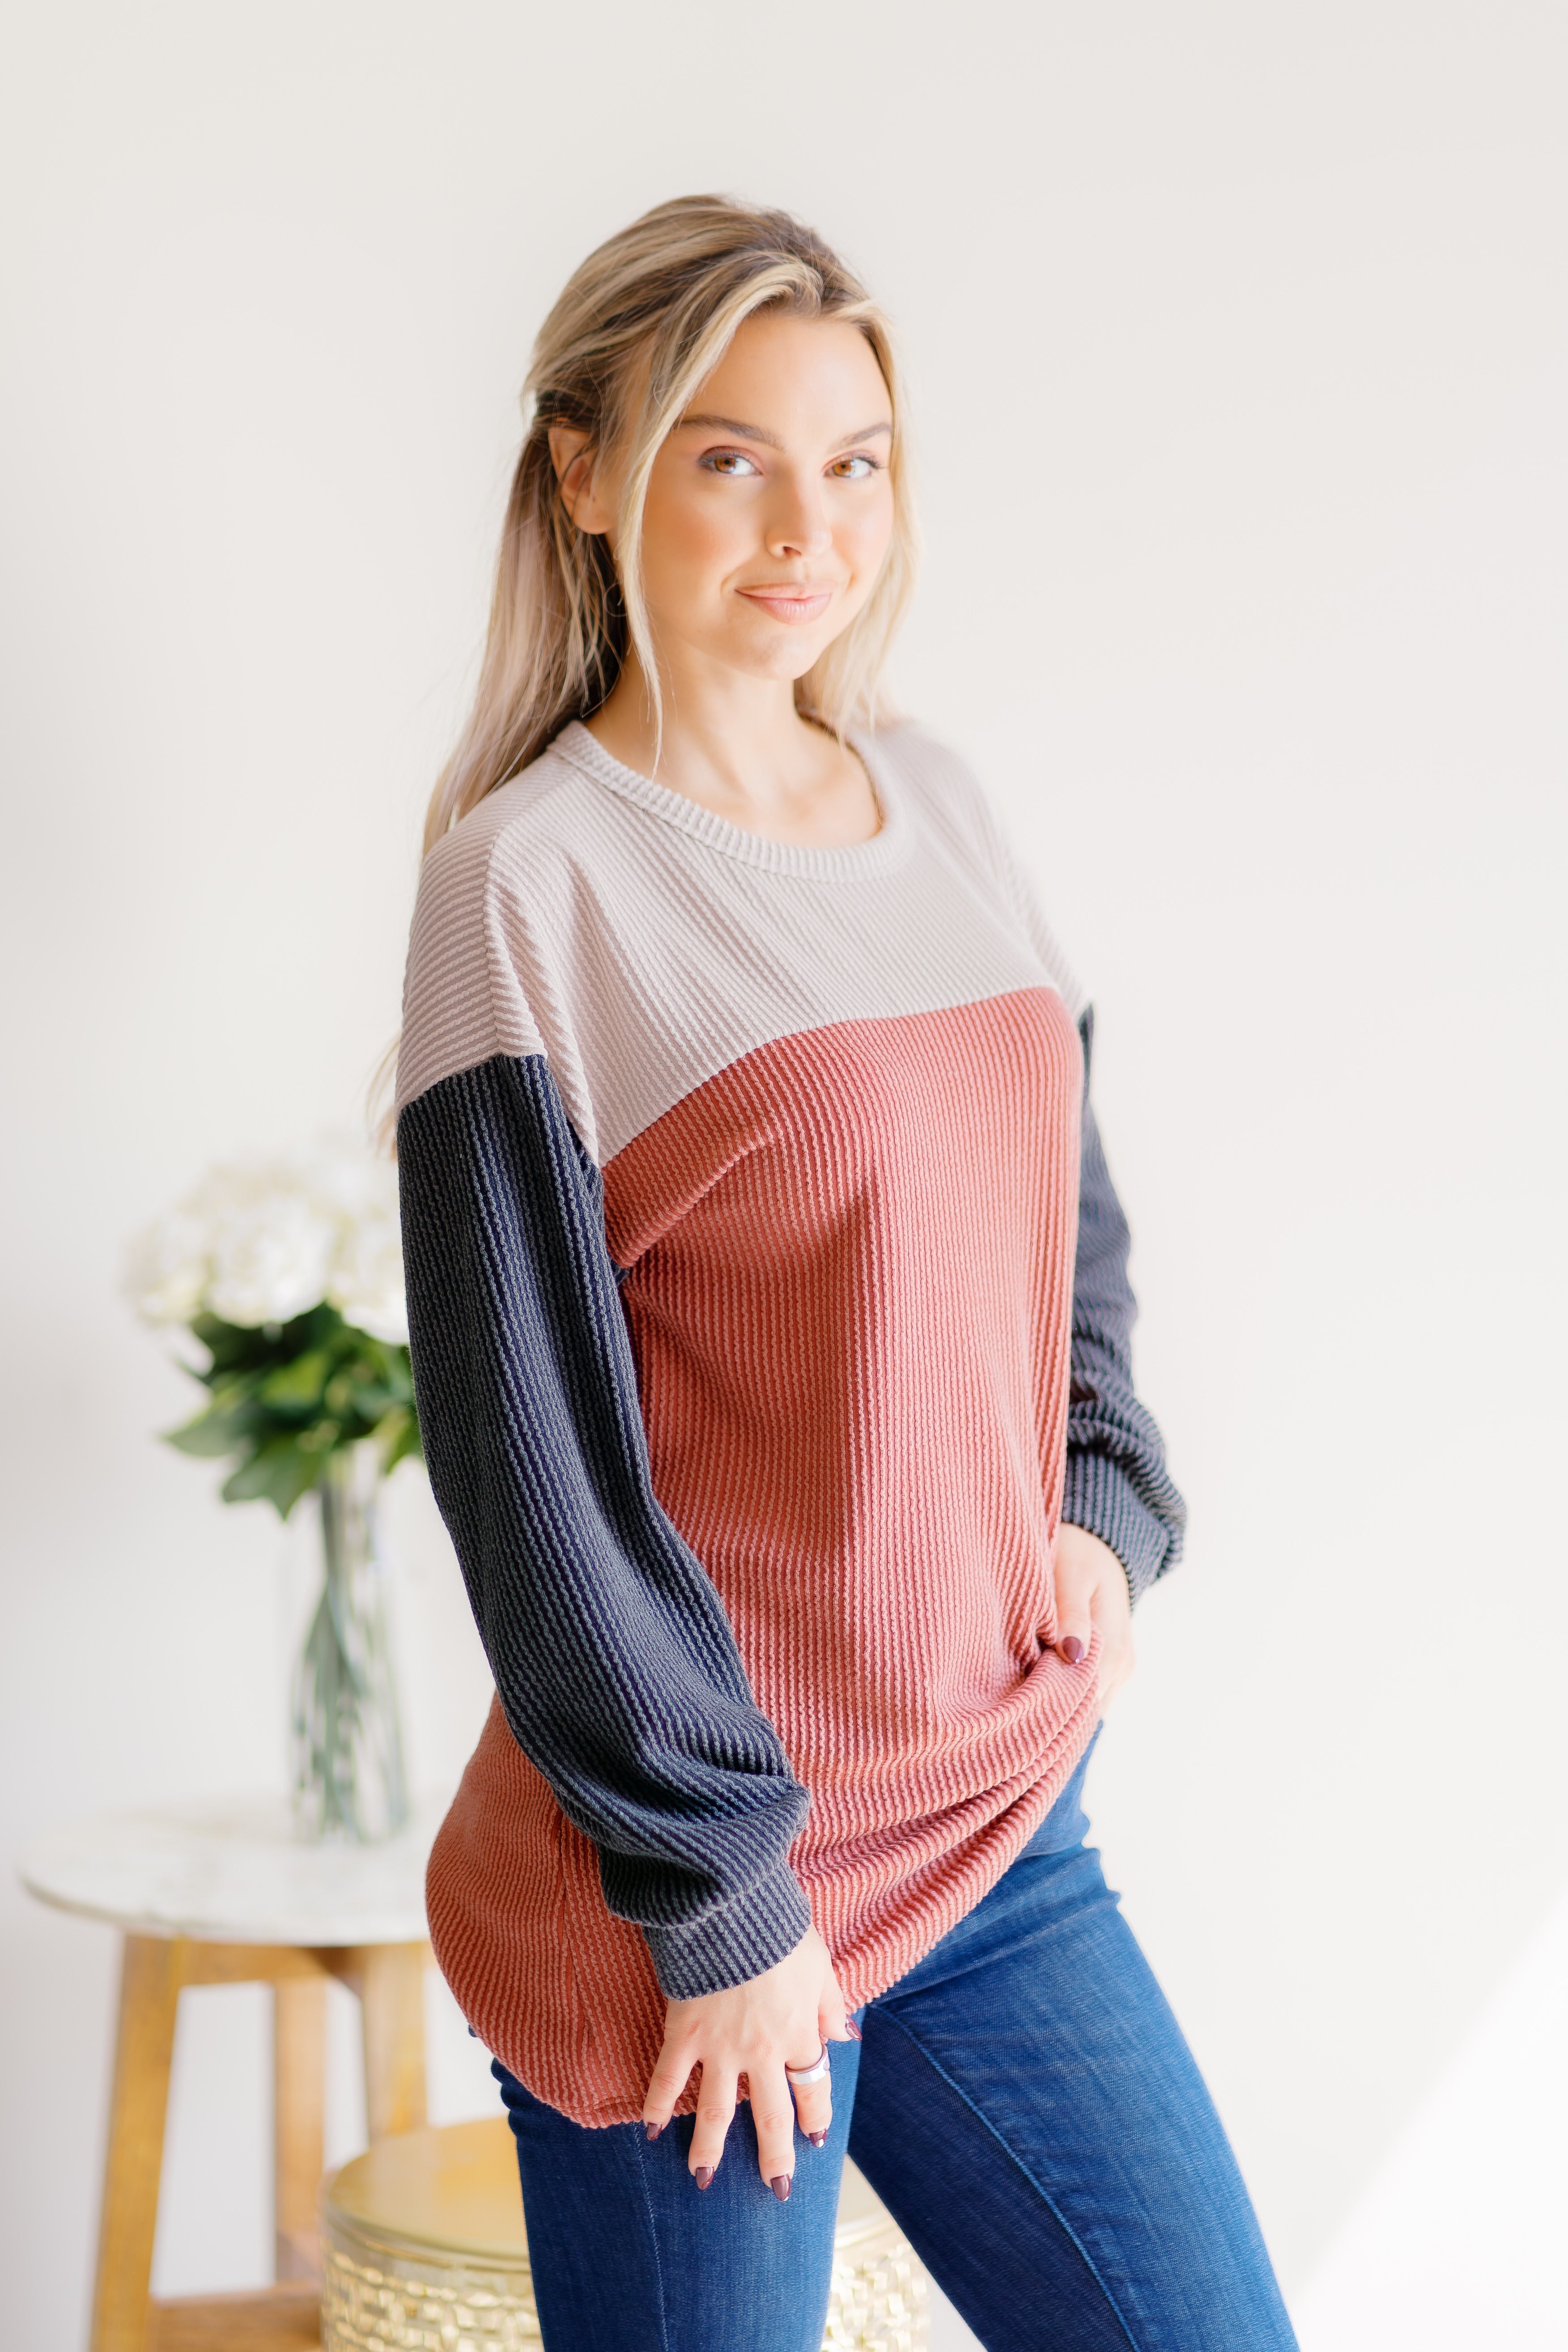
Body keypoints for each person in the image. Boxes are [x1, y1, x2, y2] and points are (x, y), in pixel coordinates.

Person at [395, 195, 1297, 2352]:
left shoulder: (939, 801)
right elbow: (529, 1471)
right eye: (732, 457)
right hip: (692, 1884)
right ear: (586, 473)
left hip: (996, 1817)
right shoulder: (531, 886)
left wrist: (1097, 1485)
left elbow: (1061, 1208)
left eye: (856, 460)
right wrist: (717, 1897)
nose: (811, 527)